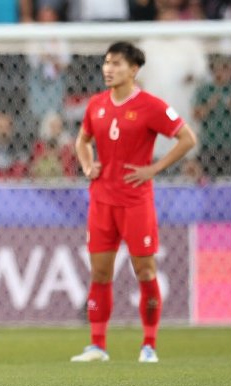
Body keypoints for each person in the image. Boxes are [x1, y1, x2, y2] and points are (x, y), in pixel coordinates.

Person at [71, 42, 197, 363]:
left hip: (135, 202)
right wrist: (87, 165)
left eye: (116, 63)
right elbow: (82, 140)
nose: (108, 69)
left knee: (144, 270)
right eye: (106, 62)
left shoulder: (151, 106)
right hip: (101, 201)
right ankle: (98, 345)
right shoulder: (96, 105)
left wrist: (154, 168)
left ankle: (149, 345)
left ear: (134, 69)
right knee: (100, 272)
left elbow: (187, 139)